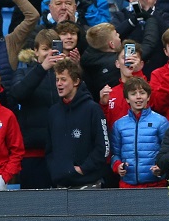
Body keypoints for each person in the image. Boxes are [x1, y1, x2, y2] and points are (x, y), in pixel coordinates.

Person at [10, 29, 62, 189]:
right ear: (36, 51)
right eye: (45, 49)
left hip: (62, 151)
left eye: (53, 49)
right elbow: (18, 93)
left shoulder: (66, 74)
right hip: (33, 152)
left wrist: (72, 67)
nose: (49, 54)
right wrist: (42, 69)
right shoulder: (23, 72)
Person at [46, 58, 109, 188]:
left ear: (76, 81)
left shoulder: (93, 109)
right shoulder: (53, 112)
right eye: (57, 79)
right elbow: (49, 149)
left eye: (63, 79)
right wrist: (56, 170)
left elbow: (104, 148)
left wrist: (82, 169)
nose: (59, 84)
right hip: (60, 185)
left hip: (88, 184)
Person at [111, 76, 169, 188]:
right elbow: (114, 154)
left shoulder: (161, 122)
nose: (138, 97)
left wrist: (162, 168)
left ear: (148, 97)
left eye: (142, 93)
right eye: (133, 94)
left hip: (156, 185)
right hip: (127, 186)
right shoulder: (118, 125)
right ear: (127, 99)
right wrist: (118, 166)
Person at [111, 0, 169, 77]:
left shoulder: (163, 16)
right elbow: (113, 37)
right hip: (129, 72)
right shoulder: (120, 16)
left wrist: (148, 12)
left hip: (158, 71)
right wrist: (135, 17)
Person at [99, 40, 146, 129]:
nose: (130, 62)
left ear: (141, 64)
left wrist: (137, 73)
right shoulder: (110, 94)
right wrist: (103, 105)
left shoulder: (150, 89)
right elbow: (106, 127)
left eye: (134, 58)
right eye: (125, 58)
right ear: (117, 64)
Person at [80, 23, 122, 101]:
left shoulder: (88, 59)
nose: (119, 35)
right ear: (111, 44)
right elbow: (148, 46)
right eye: (116, 34)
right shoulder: (119, 62)